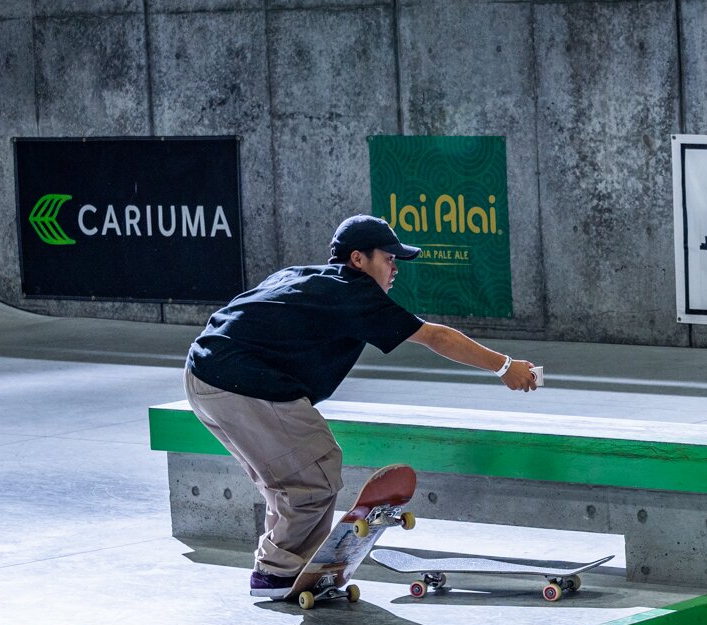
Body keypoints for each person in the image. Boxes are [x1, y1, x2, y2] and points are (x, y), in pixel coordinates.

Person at [183, 214, 540, 597]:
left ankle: (286, 566)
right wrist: (505, 366)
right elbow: (436, 337)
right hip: (241, 382)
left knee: (288, 481)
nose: (394, 268)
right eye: (388, 258)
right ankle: (275, 572)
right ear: (358, 259)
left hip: (202, 375)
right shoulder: (355, 293)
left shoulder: (302, 277)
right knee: (316, 473)